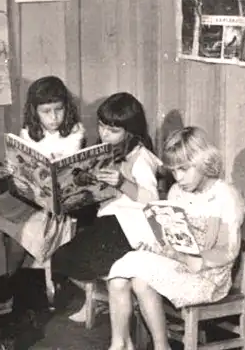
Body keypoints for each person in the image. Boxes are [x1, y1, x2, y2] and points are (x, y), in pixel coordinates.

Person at [104, 127, 245, 350]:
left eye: (184, 169)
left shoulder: (225, 196)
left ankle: (157, 347)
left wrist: (192, 259)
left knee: (141, 279)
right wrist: (157, 247)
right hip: (179, 264)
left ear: (203, 161)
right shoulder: (176, 192)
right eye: (174, 171)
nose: (178, 177)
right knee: (127, 276)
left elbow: (228, 251)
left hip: (209, 277)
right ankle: (121, 344)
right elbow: (172, 239)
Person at [50, 92, 162, 321]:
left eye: (113, 131)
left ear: (130, 131)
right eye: (101, 127)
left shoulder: (142, 158)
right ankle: (103, 300)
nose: (104, 134)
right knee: (60, 258)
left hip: (130, 229)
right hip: (108, 221)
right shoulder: (108, 151)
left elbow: (152, 201)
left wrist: (123, 183)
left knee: (74, 260)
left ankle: (111, 300)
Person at [0, 76, 86, 308]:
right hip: (29, 196)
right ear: (35, 112)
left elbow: (68, 167)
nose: (53, 118)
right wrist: (15, 168)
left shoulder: (75, 132)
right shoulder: (29, 132)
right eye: (46, 112)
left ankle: (5, 286)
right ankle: (3, 280)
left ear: (66, 107)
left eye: (58, 110)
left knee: (22, 230)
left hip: (54, 204)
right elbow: (25, 166)